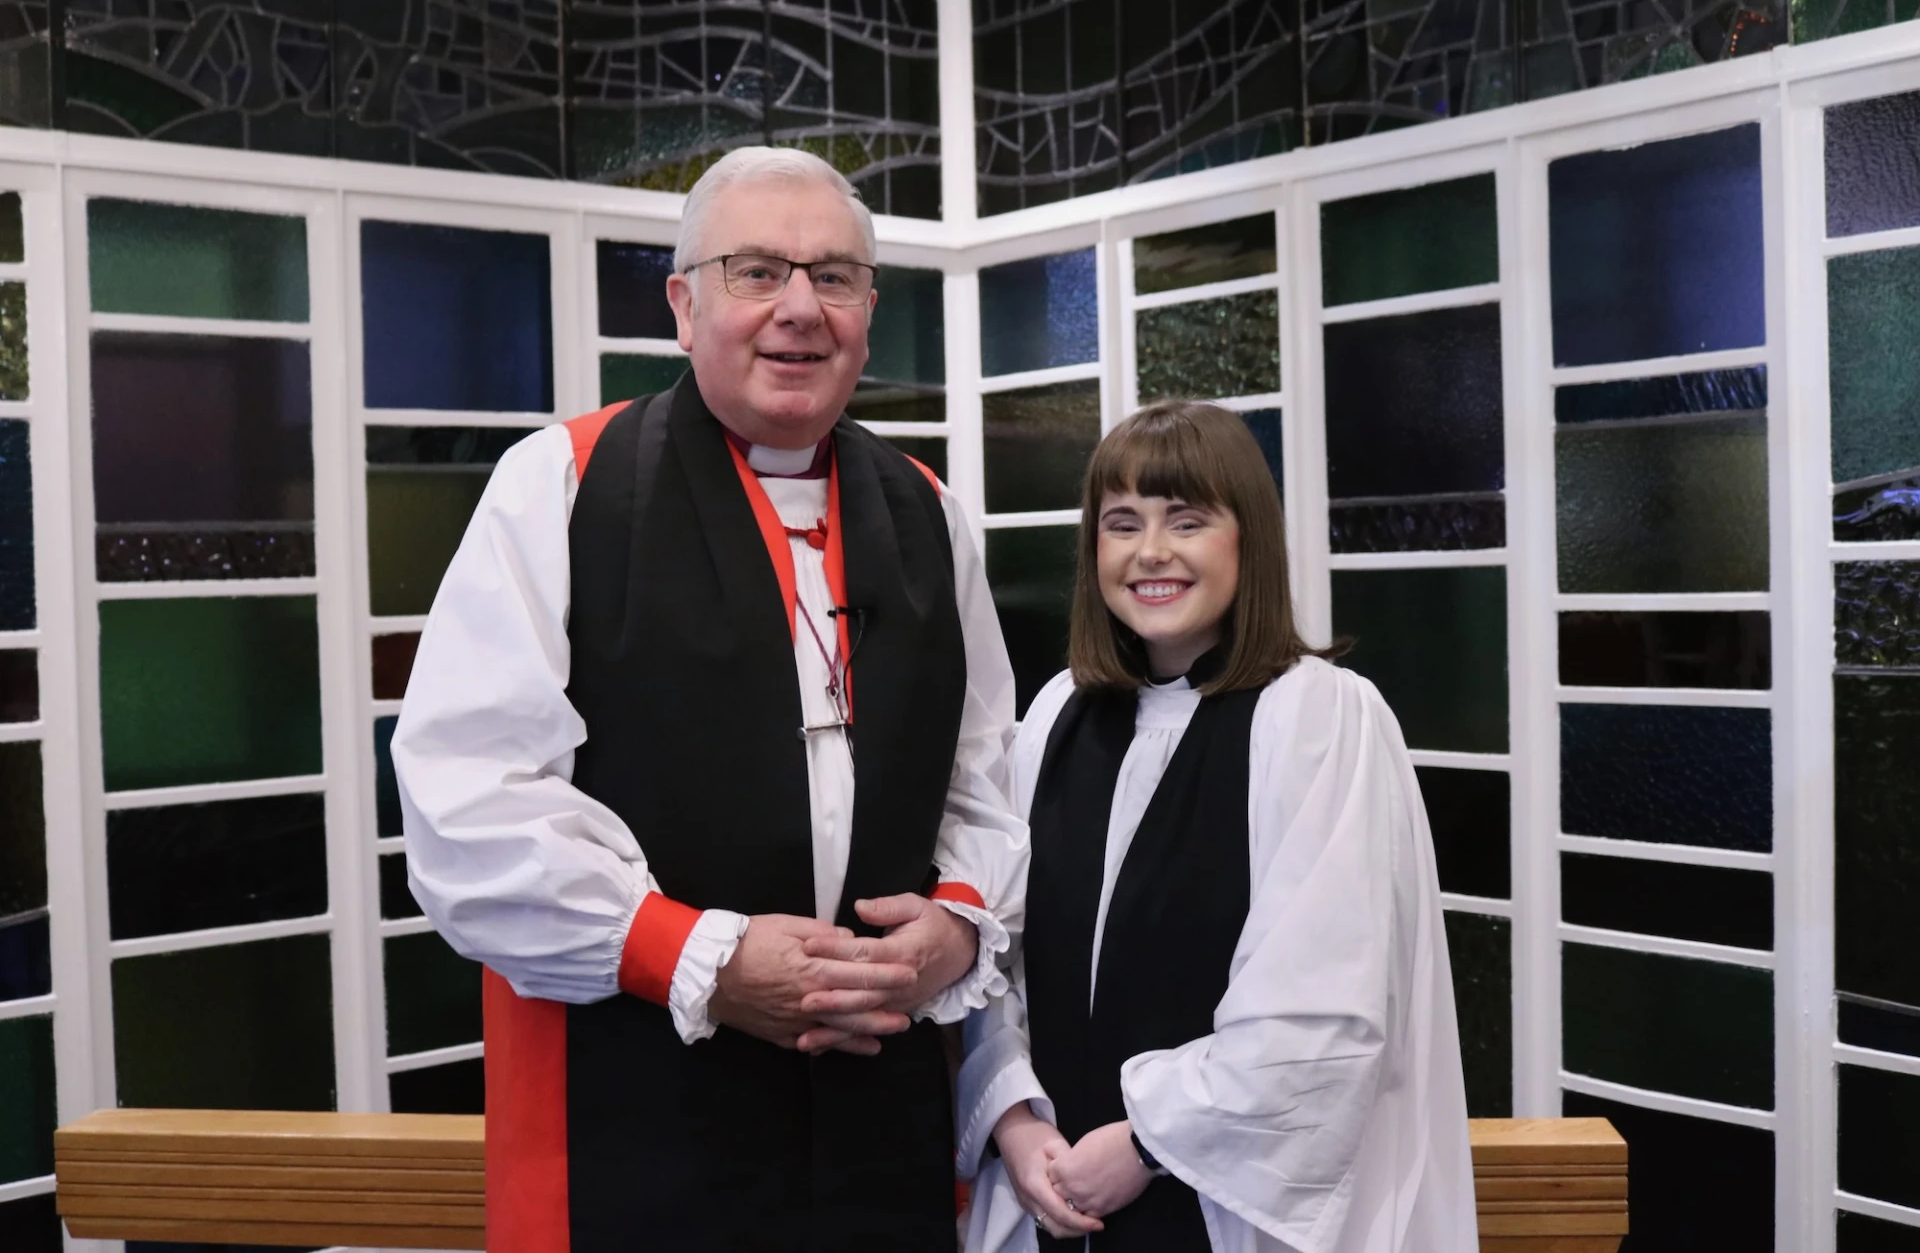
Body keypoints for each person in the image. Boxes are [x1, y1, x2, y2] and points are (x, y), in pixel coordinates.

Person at [394, 147, 1027, 1251]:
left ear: (869, 313)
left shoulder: (929, 512)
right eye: (756, 271)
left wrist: (958, 928)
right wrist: (703, 958)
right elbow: (467, 803)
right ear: (684, 305)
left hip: (880, 1124)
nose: (799, 308)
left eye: (833, 276)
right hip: (638, 1122)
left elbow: (985, 775)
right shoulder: (566, 482)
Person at [955, 402, 1476, 1252]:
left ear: (1249, 539)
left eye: (1187, 521)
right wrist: (1012, 1116)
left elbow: (1324, 1007)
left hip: (1218, 1207)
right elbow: (998, 957)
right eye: (1122, 524)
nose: (1151, 551)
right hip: (1049, 1189)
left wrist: (1149, 1141)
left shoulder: (1316, 715)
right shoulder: (1058, 715)